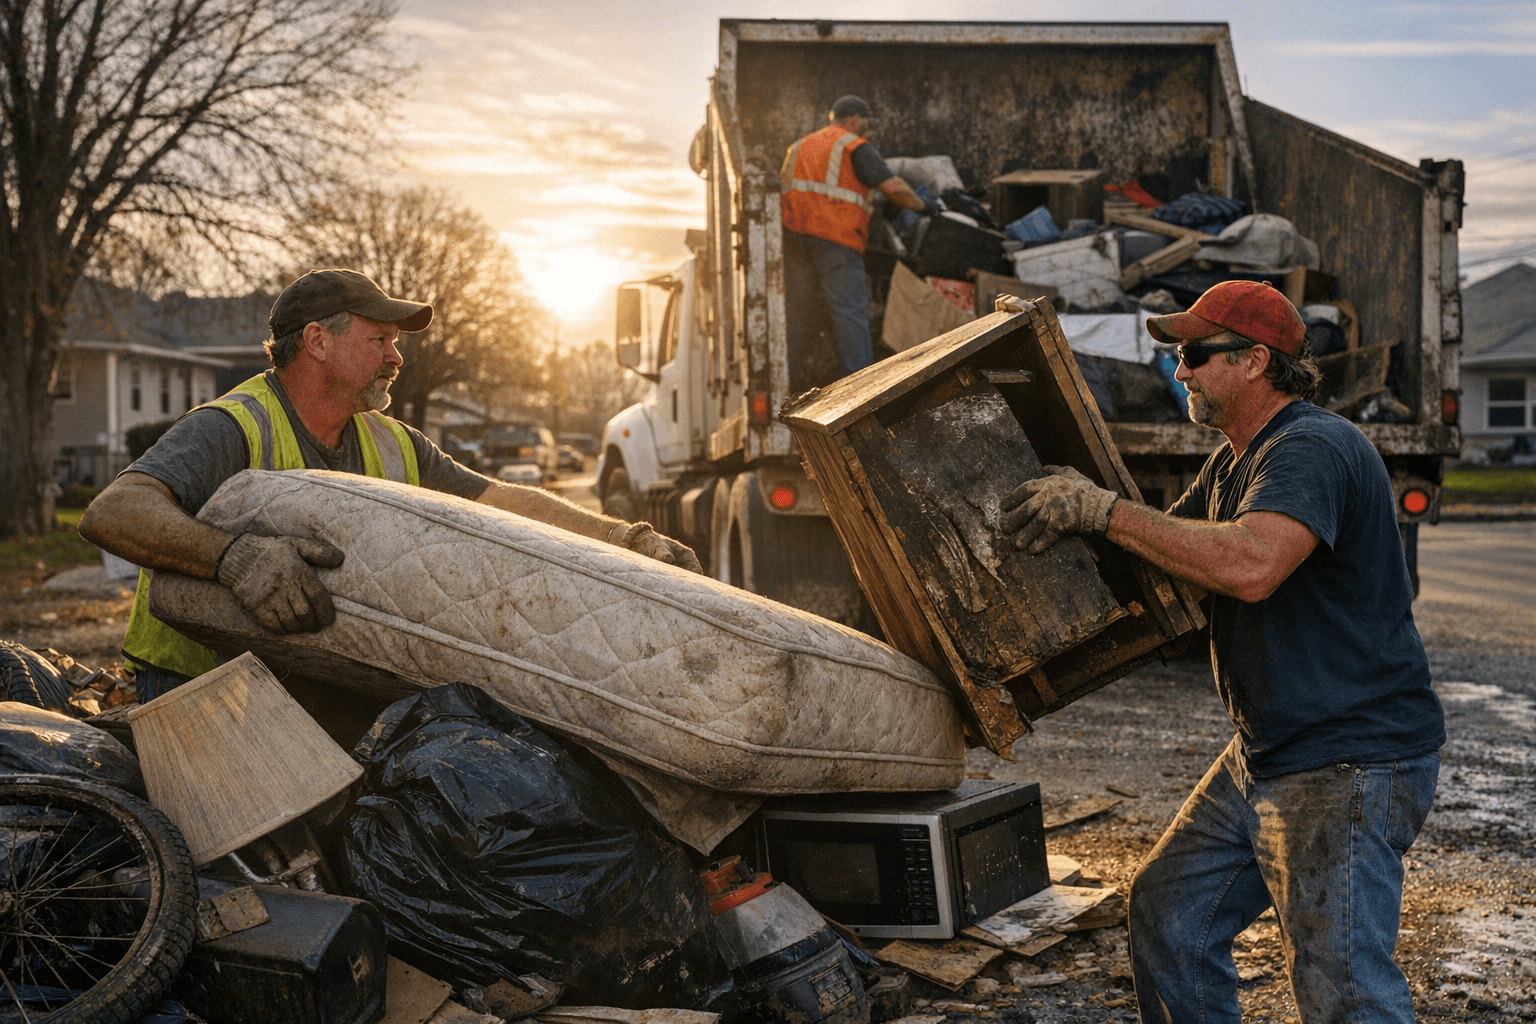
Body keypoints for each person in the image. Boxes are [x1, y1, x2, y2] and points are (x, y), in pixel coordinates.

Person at [994, 282, 1443, 1023]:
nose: (1180, 370)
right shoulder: (1236, 462)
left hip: (1348, 757)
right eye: (1177, 353)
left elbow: (1250, 566)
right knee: (1172, 914)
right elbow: (1159, 568)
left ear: (1256, 360)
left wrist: (1104, 510)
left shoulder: (1310, 448)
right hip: (1270, 749)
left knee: (1344, 989)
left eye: (1196, 353)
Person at [81, 269, 701, 702]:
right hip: (199, 681)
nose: (395, 357)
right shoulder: (233, 426)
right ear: (318, 342)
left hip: (304, 672)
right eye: (379, 339)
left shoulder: (391, 440)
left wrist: (625, 537)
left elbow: (503, 503)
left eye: (394, 343)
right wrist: (231, 558)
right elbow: (113, 513)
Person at [780, 94, 933, 381]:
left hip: (795, 242)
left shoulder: (798, 147)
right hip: (835, 240)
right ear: (854, 120)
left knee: (794, 315)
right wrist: (927, 206)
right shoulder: (854, 147)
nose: (867, 129)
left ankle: (787, 381)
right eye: (866, 123)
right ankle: (859, 390)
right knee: (850, 314)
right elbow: (894, 187)